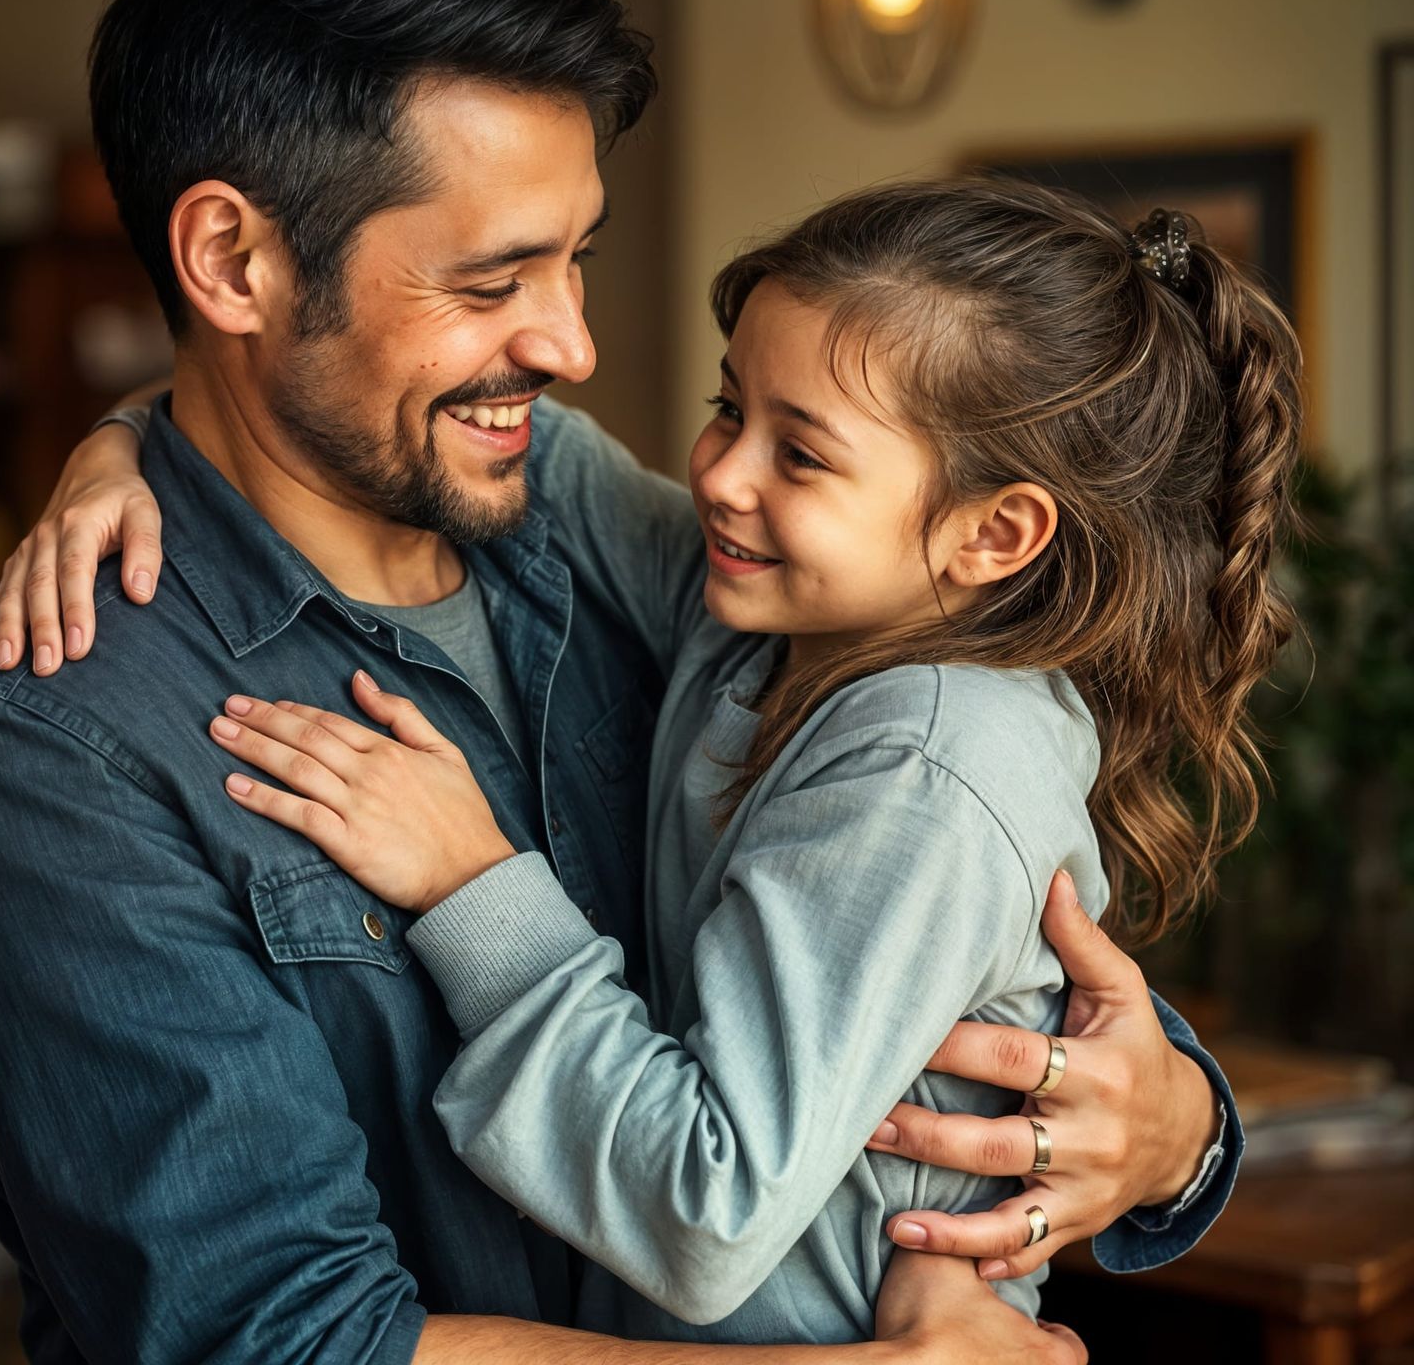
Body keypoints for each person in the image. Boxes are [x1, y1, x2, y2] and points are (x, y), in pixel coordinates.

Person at [0, 0, 1225, 1364]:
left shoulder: (634, 567)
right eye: (493, 279)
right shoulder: (66, 754)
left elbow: (917, 943)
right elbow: (279, 1344)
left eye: (573, 258)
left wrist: (1172, 1125)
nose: (574, 344)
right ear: (232, 263)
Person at [180, 179, 1300, 1343]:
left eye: (800, 455)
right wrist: (126, 450)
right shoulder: (766, 615)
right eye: (731, 408)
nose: (720, 472)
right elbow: (364, 407)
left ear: (992, 533)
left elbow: (702, 1212)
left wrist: (473, 884)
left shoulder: (928, 769)